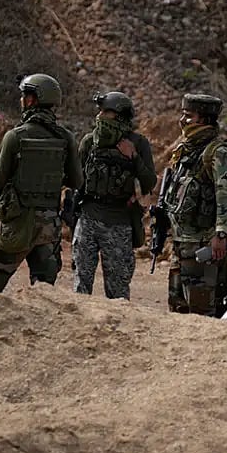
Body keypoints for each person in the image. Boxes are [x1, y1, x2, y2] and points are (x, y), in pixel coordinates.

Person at [0, 74, 82, 293]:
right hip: (48, 228)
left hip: (16, 225)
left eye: (25, 96)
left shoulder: (14, 137)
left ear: (33, 100)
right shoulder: (65, 137)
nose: (22, 100)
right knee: (44, 294)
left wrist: (2, 213)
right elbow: (76, 180)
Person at [72, 91, 156, 300]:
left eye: (105, 112)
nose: (99, 116)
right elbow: (77, 181)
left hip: (118, 224)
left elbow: (149, 183)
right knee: (80, 288)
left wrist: (133, 157)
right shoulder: (90, 142)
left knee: (118, 292)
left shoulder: (138, 143)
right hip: (88, 220)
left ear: (119, 115)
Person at [162, 93, 227, 315]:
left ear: (203, 120)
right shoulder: (187, 150)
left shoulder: (218, 153)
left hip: (202, 242)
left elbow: (225, 196)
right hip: (181, 241)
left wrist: (221, 235)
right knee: (178, 307)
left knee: (201, 310)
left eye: (188, 116)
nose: (182, 121)